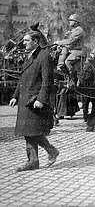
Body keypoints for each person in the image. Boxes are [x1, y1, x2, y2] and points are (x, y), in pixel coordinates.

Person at [9, 30, 59, 172]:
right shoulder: (30, 55)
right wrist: (15, 95)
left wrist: (41, 99)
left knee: (33, 130)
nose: (23, 43)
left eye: (26, 40)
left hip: (35, 101)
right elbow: (23, 79)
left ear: (35, 41)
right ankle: (33, 161)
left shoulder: (44, 56)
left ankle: (51, 151)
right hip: (25, 99)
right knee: (27, 130)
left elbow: (47, 81)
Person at [56, 14, 85, 85]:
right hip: (71, 50)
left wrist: (59, 42)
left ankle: (73, 79)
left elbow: (70, 41)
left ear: (76, 22)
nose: (69, 22)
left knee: (67, 62)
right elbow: (67, 40)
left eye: (71, 20)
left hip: (78, 51)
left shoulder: (79, 30)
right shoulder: (72, 30)